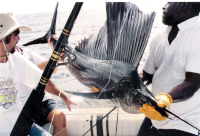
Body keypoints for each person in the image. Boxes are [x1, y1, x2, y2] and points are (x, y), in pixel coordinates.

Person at [0, 12, 75, 136]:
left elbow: (41, 80)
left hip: (23, 124)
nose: (19, 38)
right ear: (4, 37)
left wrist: (63, 96)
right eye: (16, 33)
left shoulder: (17, 59)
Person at [138, 2, 200, 136]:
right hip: (157, 114)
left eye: (169, 2)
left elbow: (192, 83)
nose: (163, 6)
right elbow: (147, 75)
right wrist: (113, 82)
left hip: (187, 121)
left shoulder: (198, 34)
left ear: (184, 4)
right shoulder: (159, 36)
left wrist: (168, 98)